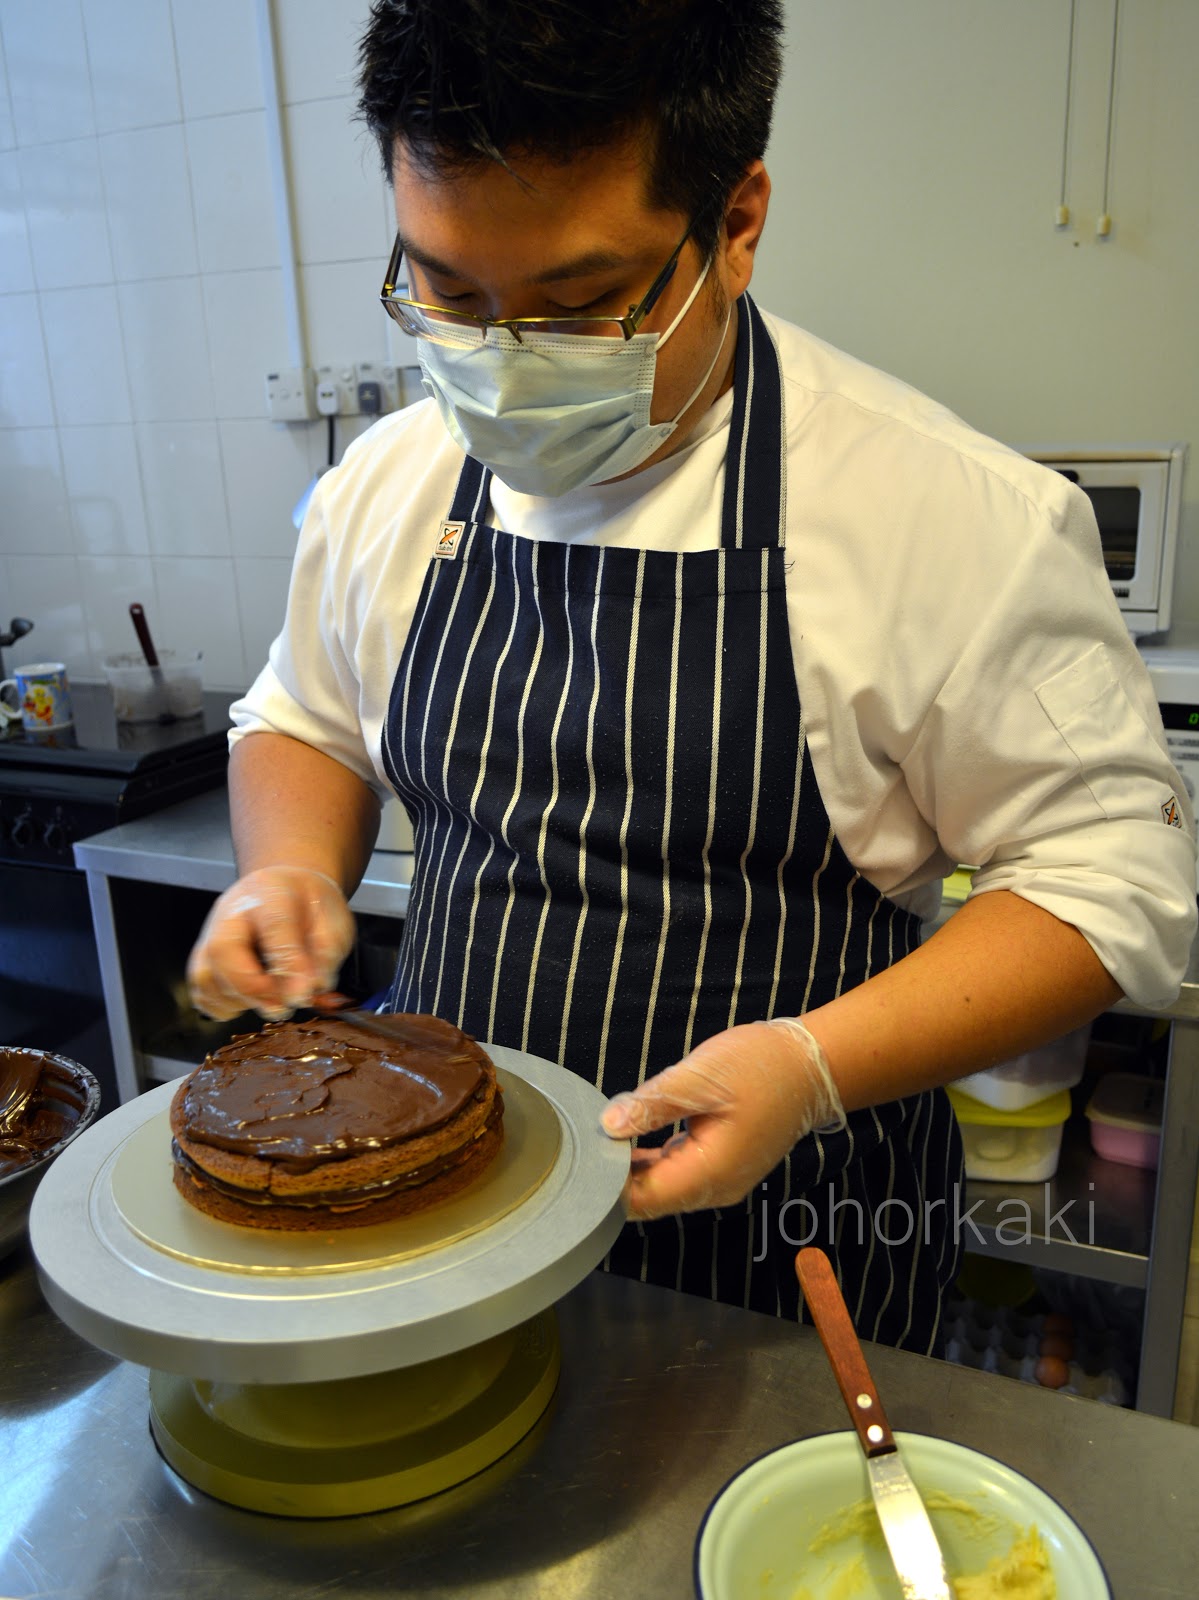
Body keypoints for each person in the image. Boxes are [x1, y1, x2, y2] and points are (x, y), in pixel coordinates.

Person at [187, 0, 1195, 1353]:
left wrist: (811, 1067)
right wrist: (289, 870)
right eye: (448, 291)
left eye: (579, 303)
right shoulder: (390, 481)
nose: (500, 360)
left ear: (737, 221)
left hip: (791, 1249)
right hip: (445, 1212)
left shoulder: (946, 514)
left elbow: (1112, 886)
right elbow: (302, 718)